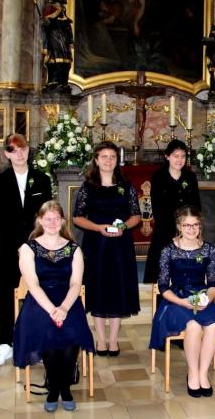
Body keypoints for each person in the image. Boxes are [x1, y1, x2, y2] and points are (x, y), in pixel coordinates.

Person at [13, 201, 94, 412]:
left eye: (56, 218)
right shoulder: (28, 248)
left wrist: (64, 308)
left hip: (68, 300)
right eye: (48, 218)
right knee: (47, 330)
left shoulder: (74, 249)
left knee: (72, 332)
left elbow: (76, 283)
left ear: (63, 221)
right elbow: (32, 284)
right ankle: (53, 389)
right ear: (40, 220)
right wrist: (52, 310)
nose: (52, 222)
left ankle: (64, 387)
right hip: (40, 301)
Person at [149, 206, 215, 397]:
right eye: (187, 225)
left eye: (195, 224)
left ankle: (203, 374)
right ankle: (193, 374)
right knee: (193, 326)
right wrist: (183, 302)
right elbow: (163, 287)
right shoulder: (168, 250)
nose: (191, 229)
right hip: (176, 299)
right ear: (179, 226)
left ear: (200, 226)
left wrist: (207, 299)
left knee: (213, 325)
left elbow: (212, 284)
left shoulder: (208, 249)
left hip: (201, 296)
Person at [0, 134, 53, 366]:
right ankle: (5, 343)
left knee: (38, 294)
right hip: (6, 249)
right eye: (13, 150)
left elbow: (47, 215)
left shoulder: (42, 179)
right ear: (6, 154)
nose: (19, 154)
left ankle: (38, 342)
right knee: (7, 295)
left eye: (23, 148)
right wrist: (17, 245)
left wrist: (33, 244)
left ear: (28, 150)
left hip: (36, 248)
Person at [72, 141, 142, 356]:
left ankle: (113, 340)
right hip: (96, 245)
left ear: (116, 160)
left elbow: (136, 216)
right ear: (96, 159)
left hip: (120, 247)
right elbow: (77, 218)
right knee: (98, 289)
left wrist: (124, 226)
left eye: (112, 156)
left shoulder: (126, 186)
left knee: (117, 290)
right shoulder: (88, 187)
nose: (108, 160)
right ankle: (100, 339)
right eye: (104, 156)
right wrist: (98, 227)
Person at [143, 139, 201, 284]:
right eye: (176, 156)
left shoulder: (190, 177)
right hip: (165, 229)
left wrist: (188, 226)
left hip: (187, 229)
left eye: (183, 156)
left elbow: (196, 205)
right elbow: (157, 207)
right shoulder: (158, 177)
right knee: (161, 270)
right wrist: (175, 226)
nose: (179, 160)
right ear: (167, 156)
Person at [41, 0, 74, 92]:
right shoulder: (51, 7)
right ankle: (53, 81)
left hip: (63, 38)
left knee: (65, 60)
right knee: (55, 59)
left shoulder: (63, 9)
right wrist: (46, 21)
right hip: (54, 36)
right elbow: (46, 22)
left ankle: (63, 81)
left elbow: (68, 25)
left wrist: (70, 40)